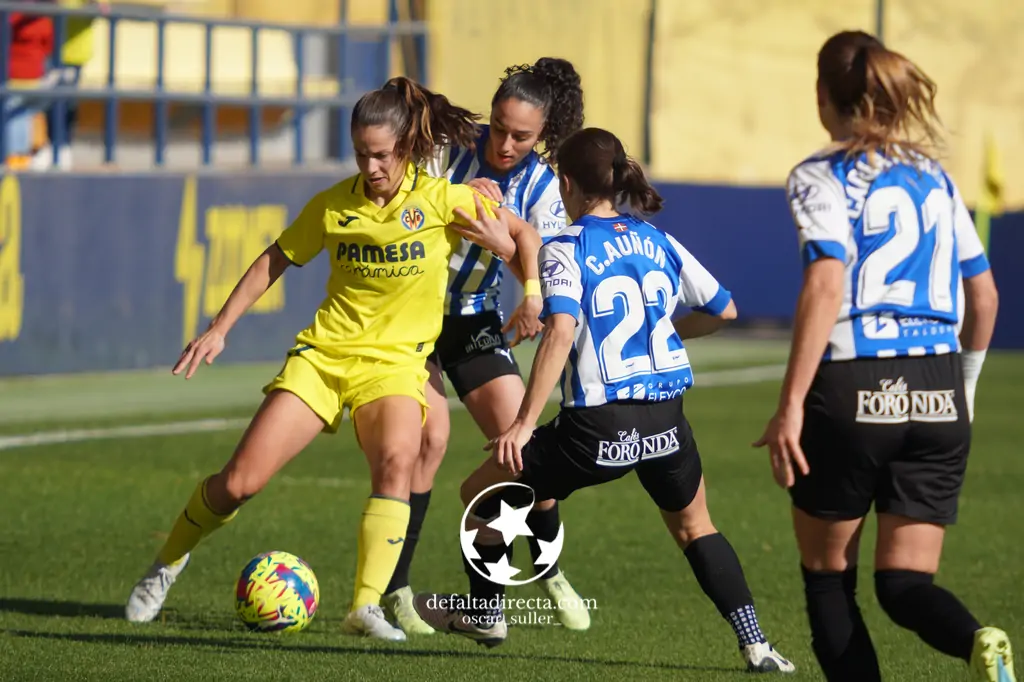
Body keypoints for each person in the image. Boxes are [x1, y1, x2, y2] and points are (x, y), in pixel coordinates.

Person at [124, 76, 540, 642]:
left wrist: (527, 280)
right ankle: (167, 563)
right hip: (323, 359)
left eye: (382, 155)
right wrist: (220, 328)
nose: (371, 167)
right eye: (362, 154)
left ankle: (363, 607)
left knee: (398, 459)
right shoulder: (331, 207)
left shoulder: (443, 198)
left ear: (409, 148)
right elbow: (275, 259)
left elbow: (525, 235)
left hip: (395, 367)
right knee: (239, 484)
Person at [412, 127, 796, 674]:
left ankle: (485, 612)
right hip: (667, 422)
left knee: (480, 496)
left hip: (597, 429)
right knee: (696, 528)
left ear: (566, 183)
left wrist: (522, 425)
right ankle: (757, 645)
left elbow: (561, 330)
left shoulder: (564, 246)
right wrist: (662, 333)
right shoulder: (655, 238)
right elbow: (723, 310)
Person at [754, 31, 1009, 682]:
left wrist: (789, 407)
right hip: (936, 387)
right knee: (904, 584)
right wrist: (964, 387)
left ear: (822, 95)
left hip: (854, 387)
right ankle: (981, 641)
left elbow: (827, 281)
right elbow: (984, 297)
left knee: (827, 577)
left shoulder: (819, 174)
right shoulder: (936, 178)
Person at [381, 57, 590, 635]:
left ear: (542, 135)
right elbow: (400, 202)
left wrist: (525, 288)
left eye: (520, 135)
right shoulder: (446, 149)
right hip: (411, 318)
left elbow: (540, 265)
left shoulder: (546, 188)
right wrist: (443, 193)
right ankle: (396, 590)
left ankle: (540, 573)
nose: (503, 143)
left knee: (517, 448)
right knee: (426, 442)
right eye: (498, 127)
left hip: (472, 319)